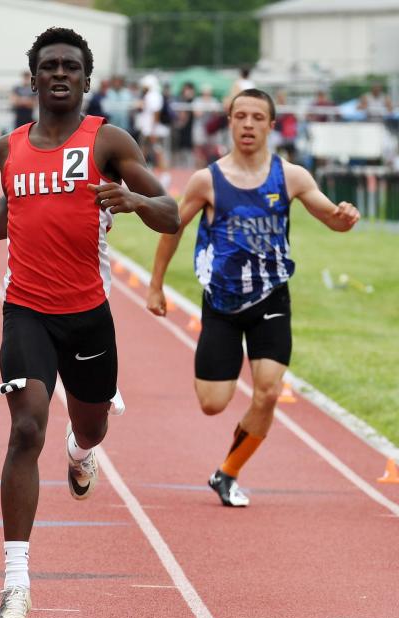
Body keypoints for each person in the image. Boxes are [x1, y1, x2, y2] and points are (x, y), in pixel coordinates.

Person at [0, 27, 178, 618]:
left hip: (88, 313)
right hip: (25, 308)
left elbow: (172, 211)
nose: (58, 73)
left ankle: (81, 456)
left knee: (89, 426)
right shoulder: (9, 148)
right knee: (26, 430)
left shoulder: (107, 140)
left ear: (84, 77)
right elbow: (11, 211)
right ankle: (16, 585)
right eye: (48, 65)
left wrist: (131, 200)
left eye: (69, 66)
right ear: (32, 78)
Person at [146, 89, 360, 508]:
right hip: (223, 304)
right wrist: (156, 285)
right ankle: (227, 462)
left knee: (268, 392)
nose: (248, 124)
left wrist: (343, 218)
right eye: (240, 116)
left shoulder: (292, 176)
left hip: (272, 299)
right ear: (229, 122)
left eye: (257, 117)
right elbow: (173, 226)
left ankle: (227, 473)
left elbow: (330, 216)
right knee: (213, 404)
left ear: (270, 125)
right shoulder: (207, 180)